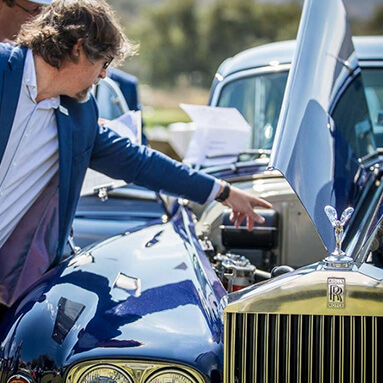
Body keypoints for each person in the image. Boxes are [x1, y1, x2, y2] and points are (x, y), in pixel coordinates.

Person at [0, 0, 272, 309]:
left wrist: (222, 191)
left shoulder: (79, 115)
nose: (104, 75)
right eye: (104, 62)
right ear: (77, 48)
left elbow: (138, 162)